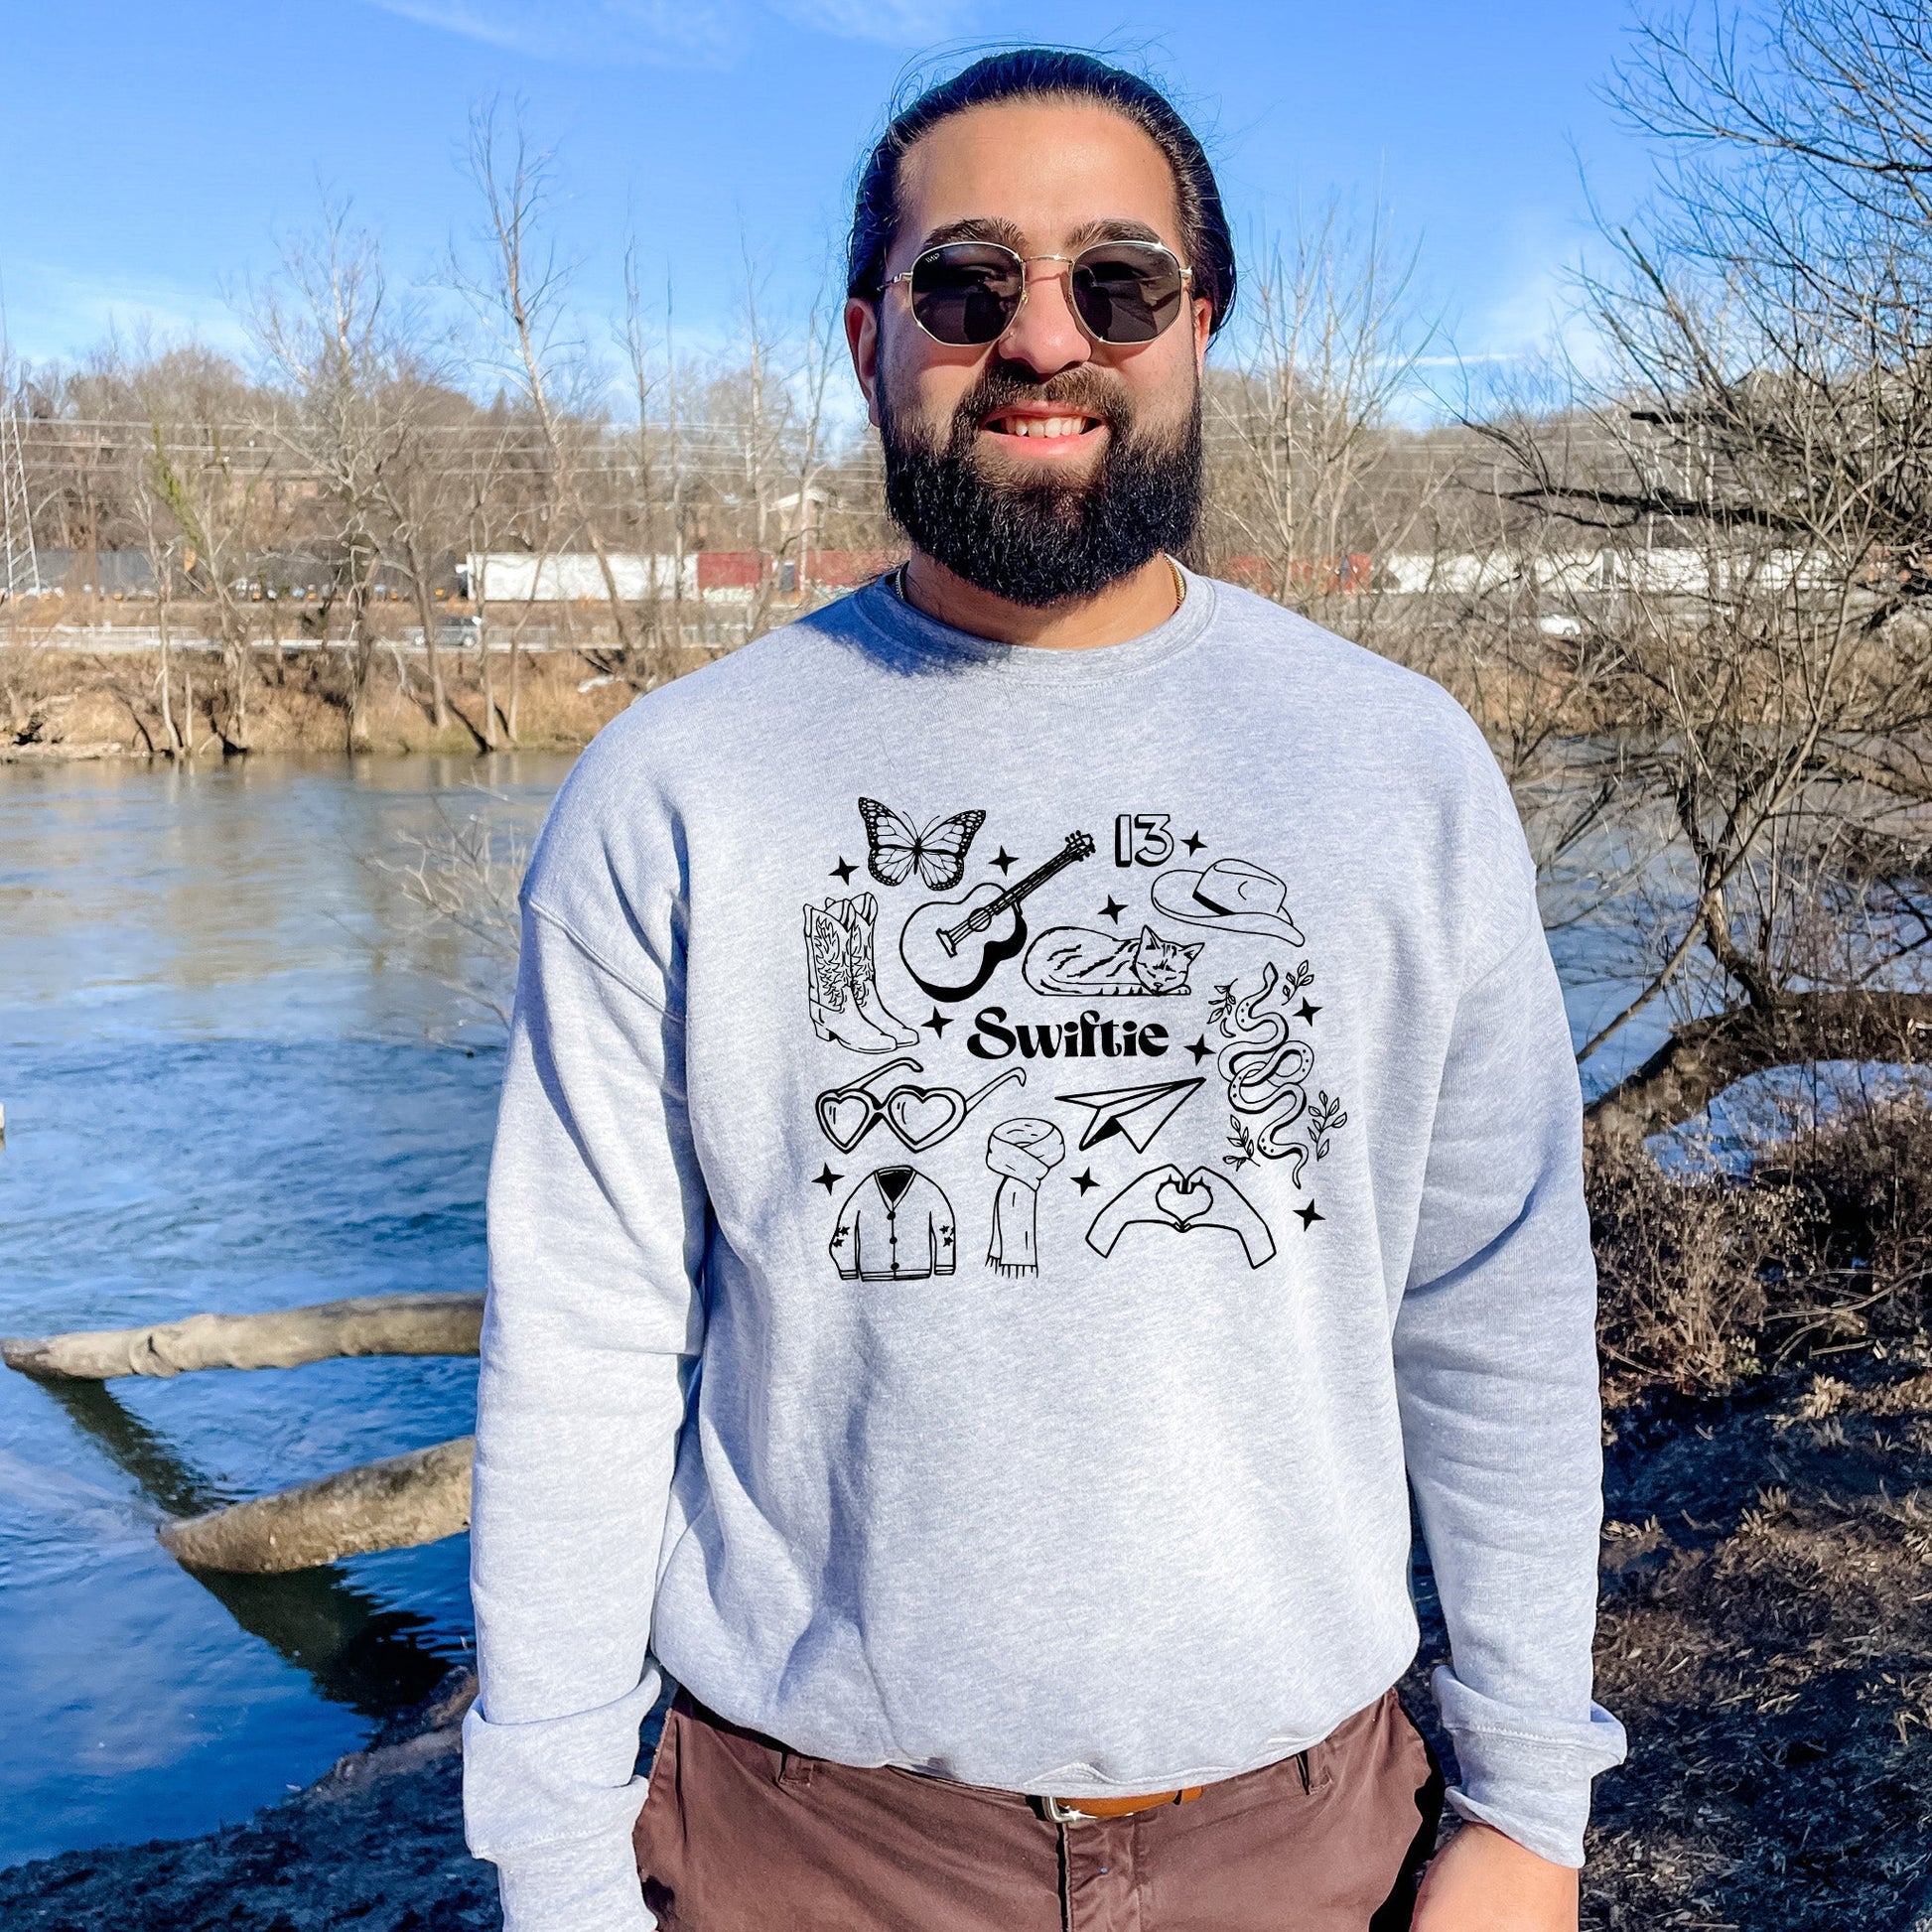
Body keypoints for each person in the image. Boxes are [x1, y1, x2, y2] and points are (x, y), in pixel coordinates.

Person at [462, 48, 1626, 1932]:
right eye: (965, 282)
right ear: (869, 338)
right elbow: (583, 1350)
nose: (1041, 338)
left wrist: (1528, 1805)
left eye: (1117, 282)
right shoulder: (675, 787)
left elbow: (1491, 1306)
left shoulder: (1398, 768)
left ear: (1197, 325)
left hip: (1312, 1839)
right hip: (802, 1849)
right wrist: (555, 1858)